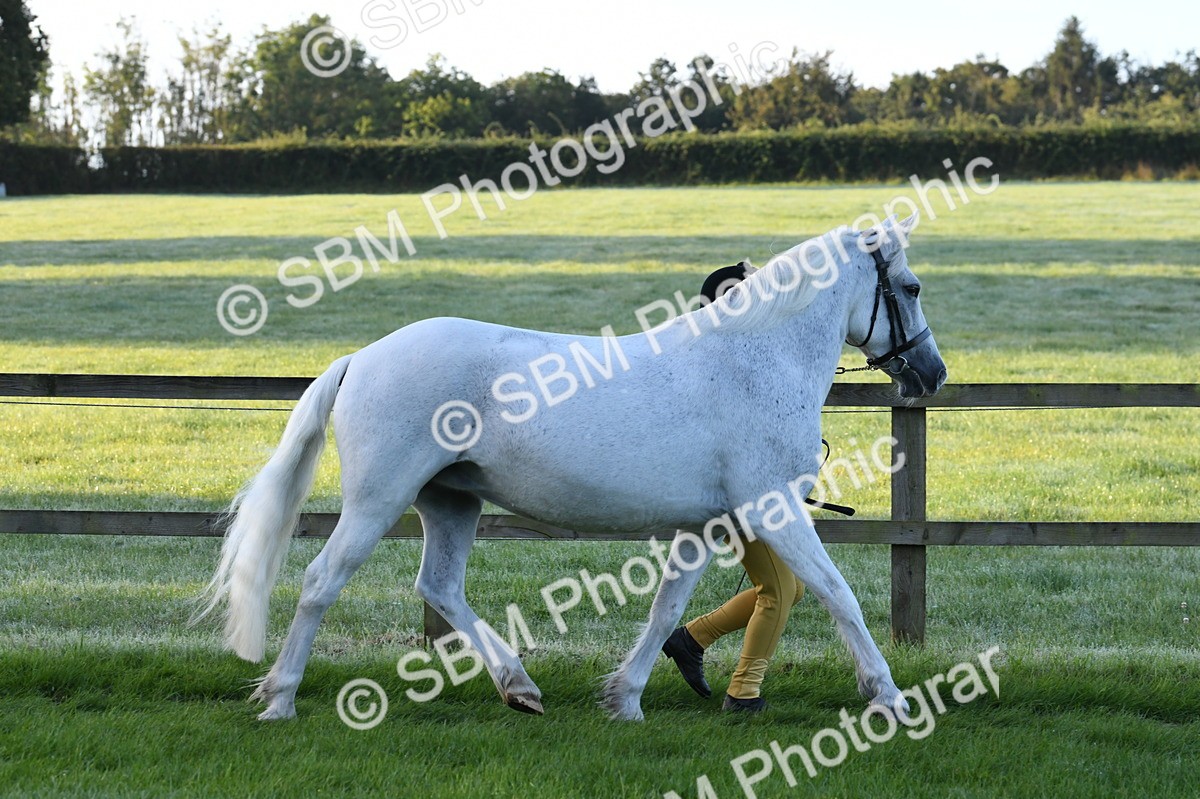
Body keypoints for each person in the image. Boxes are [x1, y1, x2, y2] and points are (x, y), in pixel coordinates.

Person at [661, 261, 808, 713]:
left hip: (749, 492)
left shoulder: (731, 356)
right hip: (742, 498)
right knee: (778, 591)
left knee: (792, 589)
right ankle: (744, 693)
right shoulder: (735, 366)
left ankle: (691, 639)